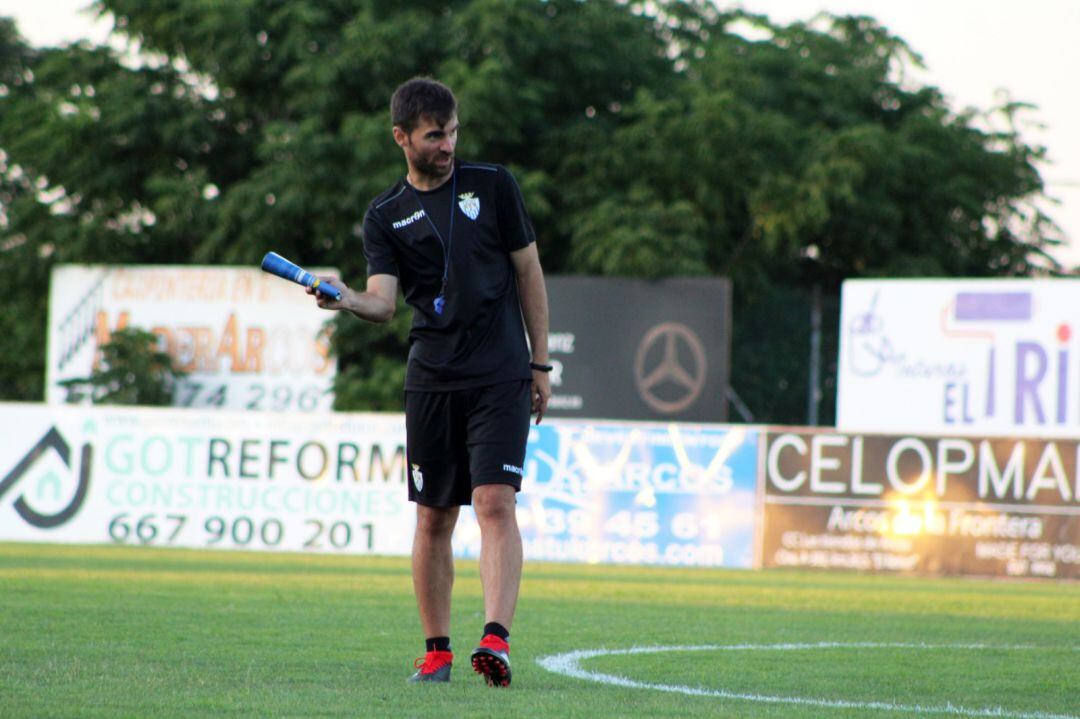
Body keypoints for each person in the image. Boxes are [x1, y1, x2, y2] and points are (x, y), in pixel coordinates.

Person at [308, 77, 551, 688]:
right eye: (434, 135)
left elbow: (530, 271)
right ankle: (437, 653)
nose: (448, 145)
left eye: (453, 132)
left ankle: (495, 639)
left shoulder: (493, 186)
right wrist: (344, 301)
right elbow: (383, 304)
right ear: (402, 138)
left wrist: (539, 363)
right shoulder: (384, 215)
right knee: (433, 518)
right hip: (432, 379)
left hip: (500, 372)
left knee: (495, 502)